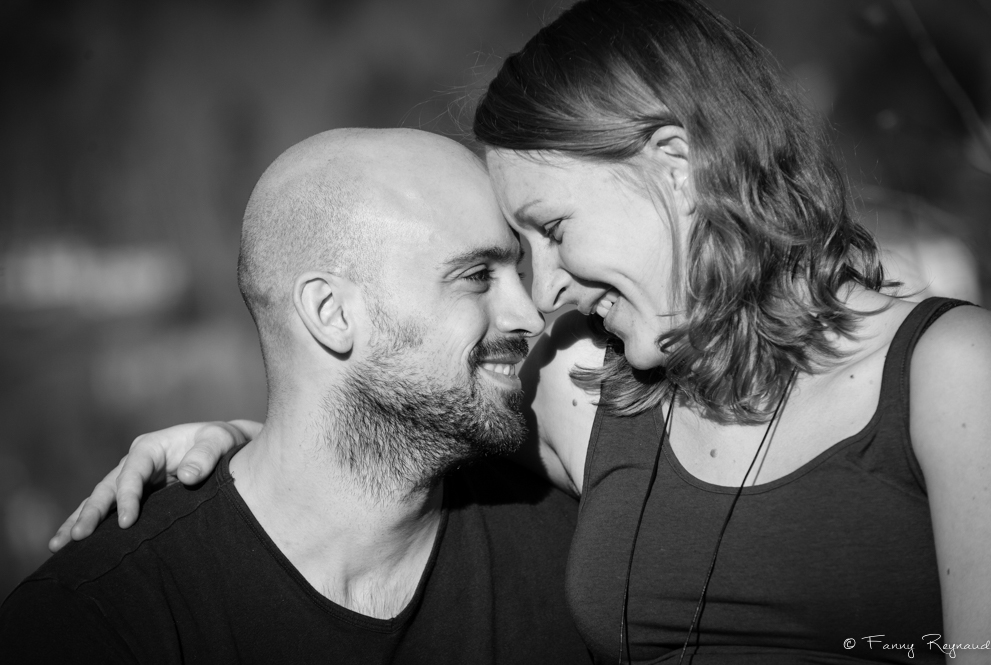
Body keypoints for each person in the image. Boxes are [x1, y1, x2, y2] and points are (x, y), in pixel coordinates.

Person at [52, 0, 991, 663]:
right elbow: (391, 409)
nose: (542, 293)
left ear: (674, 169)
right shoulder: (602, 400)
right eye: (499, 261)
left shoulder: (949, 373)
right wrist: (227, 451)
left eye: (548, 231)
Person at [0, 129, 592, 664]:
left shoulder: (579, 560)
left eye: (515, 271)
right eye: (477, 276)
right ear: (331, 313)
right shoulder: (102, 622)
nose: (529, 315)